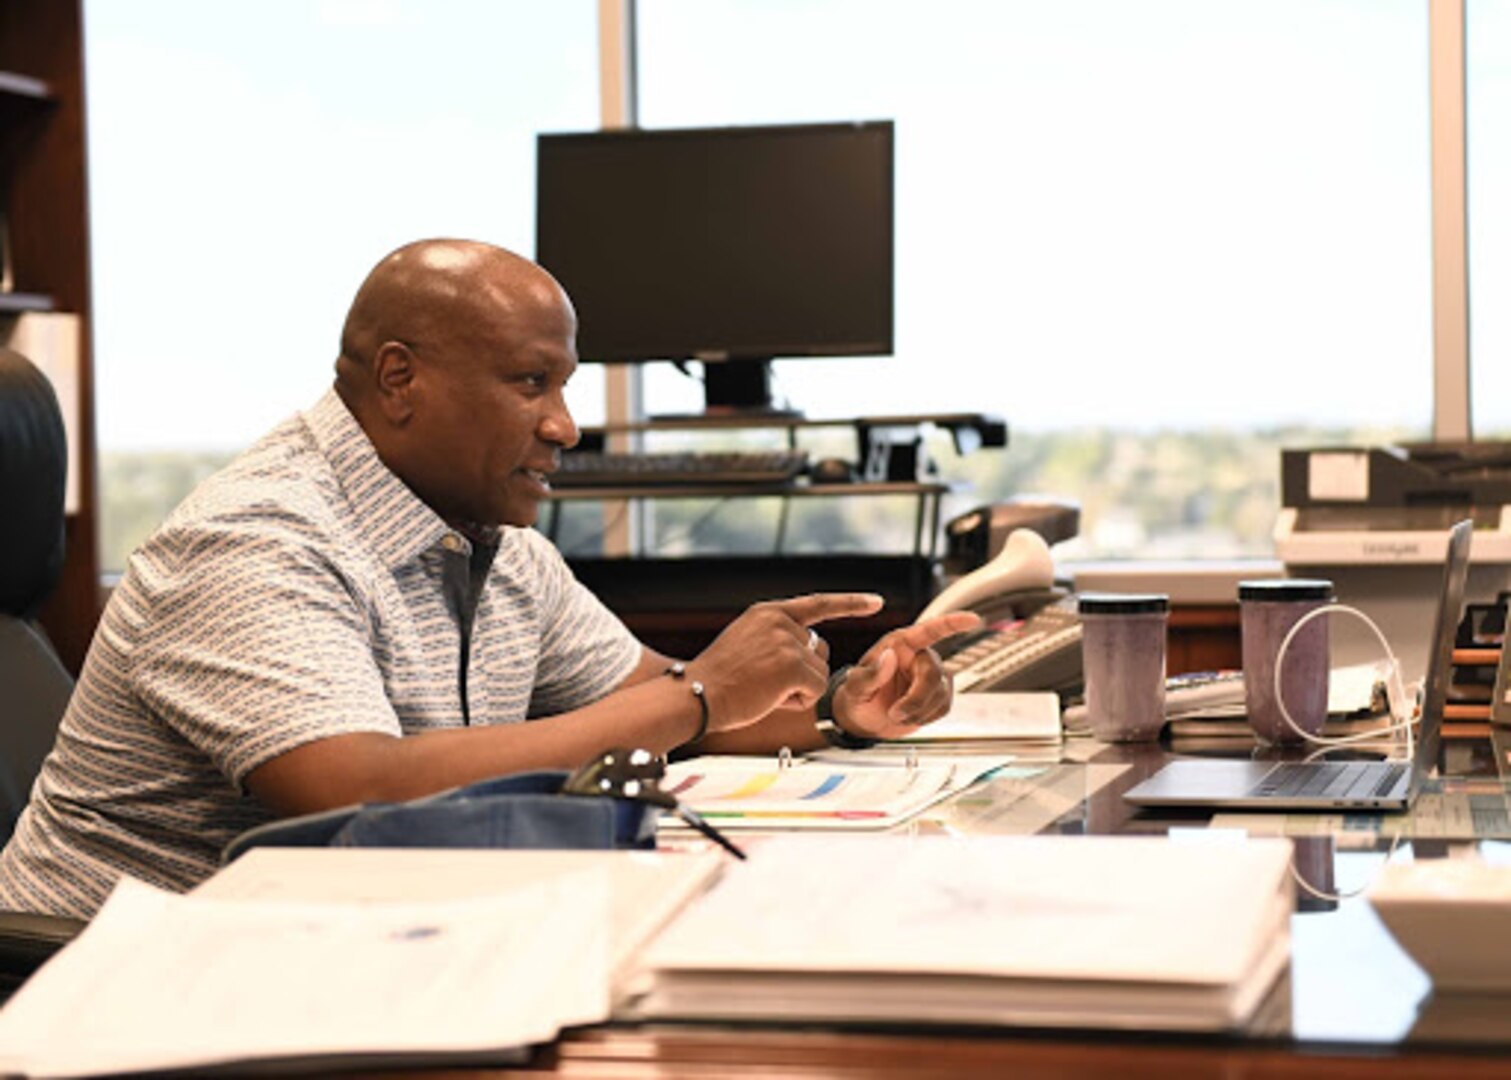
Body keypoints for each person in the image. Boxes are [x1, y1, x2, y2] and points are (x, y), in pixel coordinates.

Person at [0, 239, 978, 919]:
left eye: (565, 385)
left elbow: (657, 703)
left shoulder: (493, 539)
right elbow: (352, 790)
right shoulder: (254, 541)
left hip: (344, 941)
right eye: (530, 383)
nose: (564, 425)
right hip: (126, 975)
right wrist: (695, 694)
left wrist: (843, 706)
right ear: (397, 380)